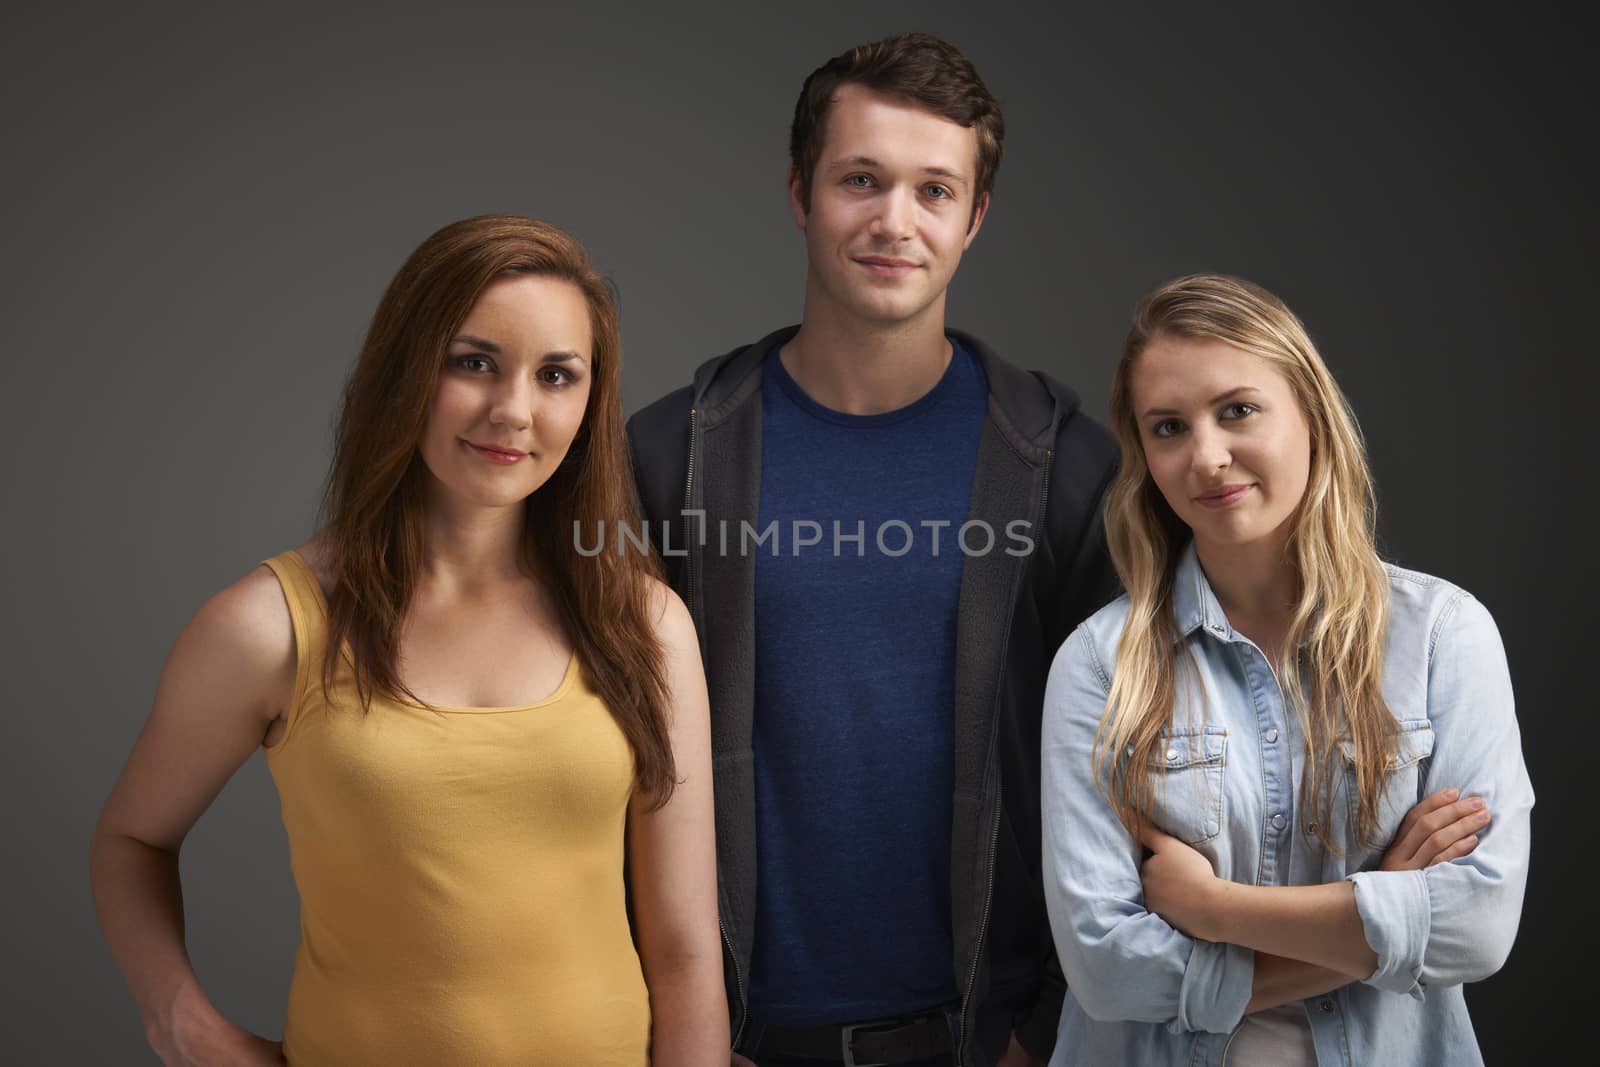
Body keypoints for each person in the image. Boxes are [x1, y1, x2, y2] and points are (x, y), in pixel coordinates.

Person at [89, 215, 727, 1066]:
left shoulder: (645, 625)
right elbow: (130, 841)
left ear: (589, 400)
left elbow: (684, 951)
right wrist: (182, 1022)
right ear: (403, 369)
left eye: (556, 375)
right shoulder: (270, 626)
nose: (513, 410)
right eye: (473, 363)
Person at [627, 33, 1118, 1067]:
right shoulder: (672, 454)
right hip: (733, 1040)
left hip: (986, 1042)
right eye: (862, 180)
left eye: (934, 190)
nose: (895, 221)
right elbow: (592, 759)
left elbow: (1134, 770)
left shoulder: (1062, 465)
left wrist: (1044, 1030)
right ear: (801, 193)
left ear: (974, 217)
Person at [1040, 273, 1534, 1065]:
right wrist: (1381, 914)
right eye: (1168, 427)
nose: (1206, 456)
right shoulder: (1102, 665)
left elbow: (1477, 928)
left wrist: (1213, 906)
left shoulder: (1443, 635)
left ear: (1310, 412)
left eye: (1237, 409)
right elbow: (1106, 971)